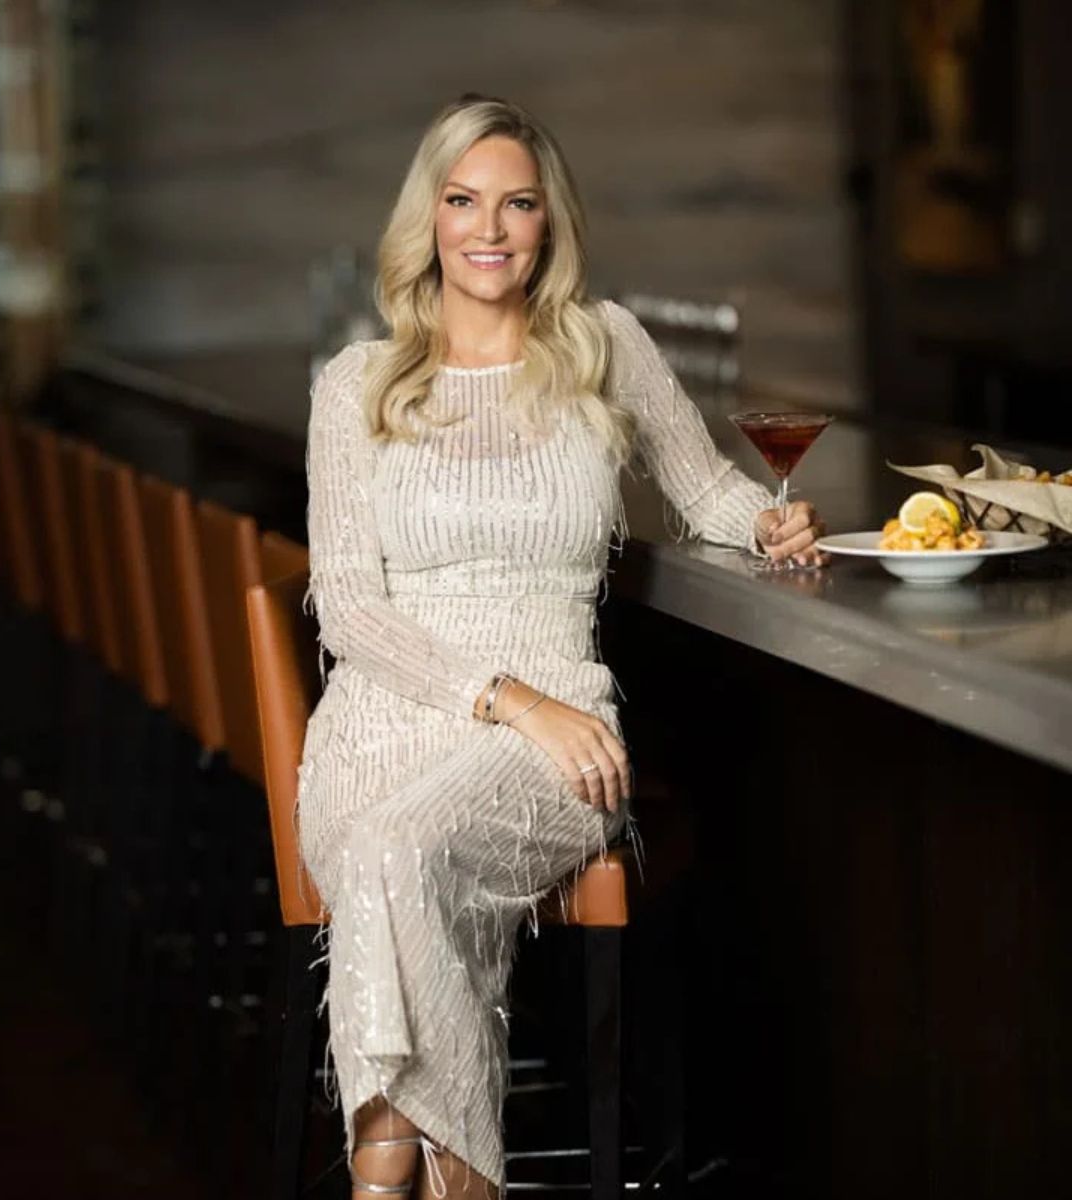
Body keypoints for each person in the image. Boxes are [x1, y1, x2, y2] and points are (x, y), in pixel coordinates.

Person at [296, 94, 826, 1200]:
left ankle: (385, 1170)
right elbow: (347, 611)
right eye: (462, 201)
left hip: (561, 744)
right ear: (428, 217)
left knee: (395, 853)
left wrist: (770, 524)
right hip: (386, 722)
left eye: (518, 204)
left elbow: (704, 491)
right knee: (389, 840)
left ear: (550, 222)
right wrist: (509, 698)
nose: (489, 229)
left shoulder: (603, 344)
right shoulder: (356, 383)